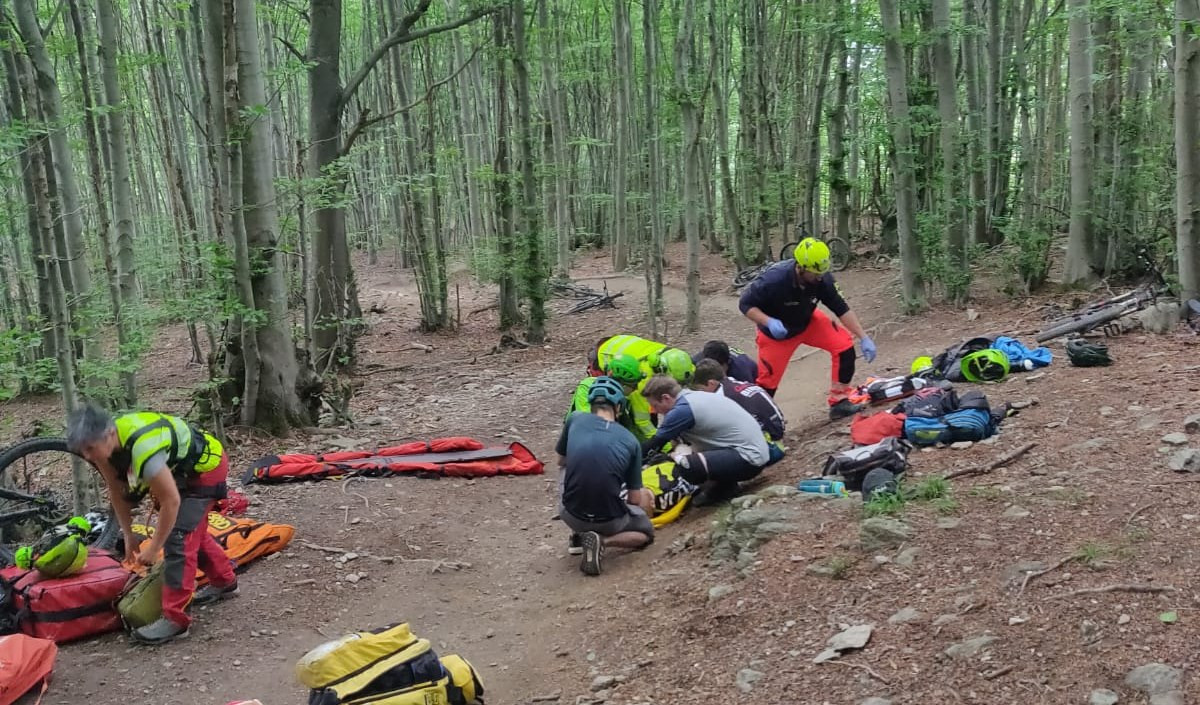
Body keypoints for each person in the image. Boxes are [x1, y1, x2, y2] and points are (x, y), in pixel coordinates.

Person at [66, 406, 238, 644]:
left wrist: (154, 546)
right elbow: (117, 493)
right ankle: (225, 581)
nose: (87, 456)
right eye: (82, 450)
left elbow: (171, 501)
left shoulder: (143, 447)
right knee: (190, 530)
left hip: (206, 468)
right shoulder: (104, 450)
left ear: (109, 433)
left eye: (90, 448)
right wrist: (127, 535)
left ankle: (176, 620)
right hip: (180, 470)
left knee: (178, 537)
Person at [738, 237, 877, 420]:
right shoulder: (774, 280)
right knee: (767, 385)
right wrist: (768, 321)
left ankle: (839, 402)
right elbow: (745, 304)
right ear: (800, 268)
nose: (819, 277)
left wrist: (863, 336)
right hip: (776, 336)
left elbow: (841, 308)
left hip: (808, 322)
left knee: (843, 346)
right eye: (815, 273)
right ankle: (757, 420)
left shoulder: (822, 279)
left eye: (822, 273)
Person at [556, 377, 655, 576]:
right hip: (610, 522)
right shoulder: (630, 441)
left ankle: (578, 536)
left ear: (591, 404)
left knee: (566, 468)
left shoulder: (575, 418)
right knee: (645, 533)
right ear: (618, 407)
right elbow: (634, 500)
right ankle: (603, 541)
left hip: (570, 514)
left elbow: (560, 459)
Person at [641, 374, 771, 505]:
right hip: (754, 452)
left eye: (655, 406)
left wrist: (632, 465)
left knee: (686, 465)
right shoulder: (695, 397)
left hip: (749, 458)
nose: (656, 411)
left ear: (666, 398)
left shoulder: (681, 411)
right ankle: (723, 485)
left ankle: (723, 488)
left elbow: (655, 444)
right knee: (684, 453)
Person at [691, 359, 785, 442]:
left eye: (702, 389)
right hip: (778, 426)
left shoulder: (721, 397)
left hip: (768, 440)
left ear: (711, 383)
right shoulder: (735, 382)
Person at [566, 354, 643, 435]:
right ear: (623, 385)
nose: (636, 388)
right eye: (633, 385)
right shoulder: (588, 387)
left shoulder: (624, 398)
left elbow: (630, 430)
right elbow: (588, 423)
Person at [692, 340, 758, 384]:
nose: (715, 371)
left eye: (718, 368)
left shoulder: (742, 373)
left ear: (727, 363)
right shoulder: (697, 361)